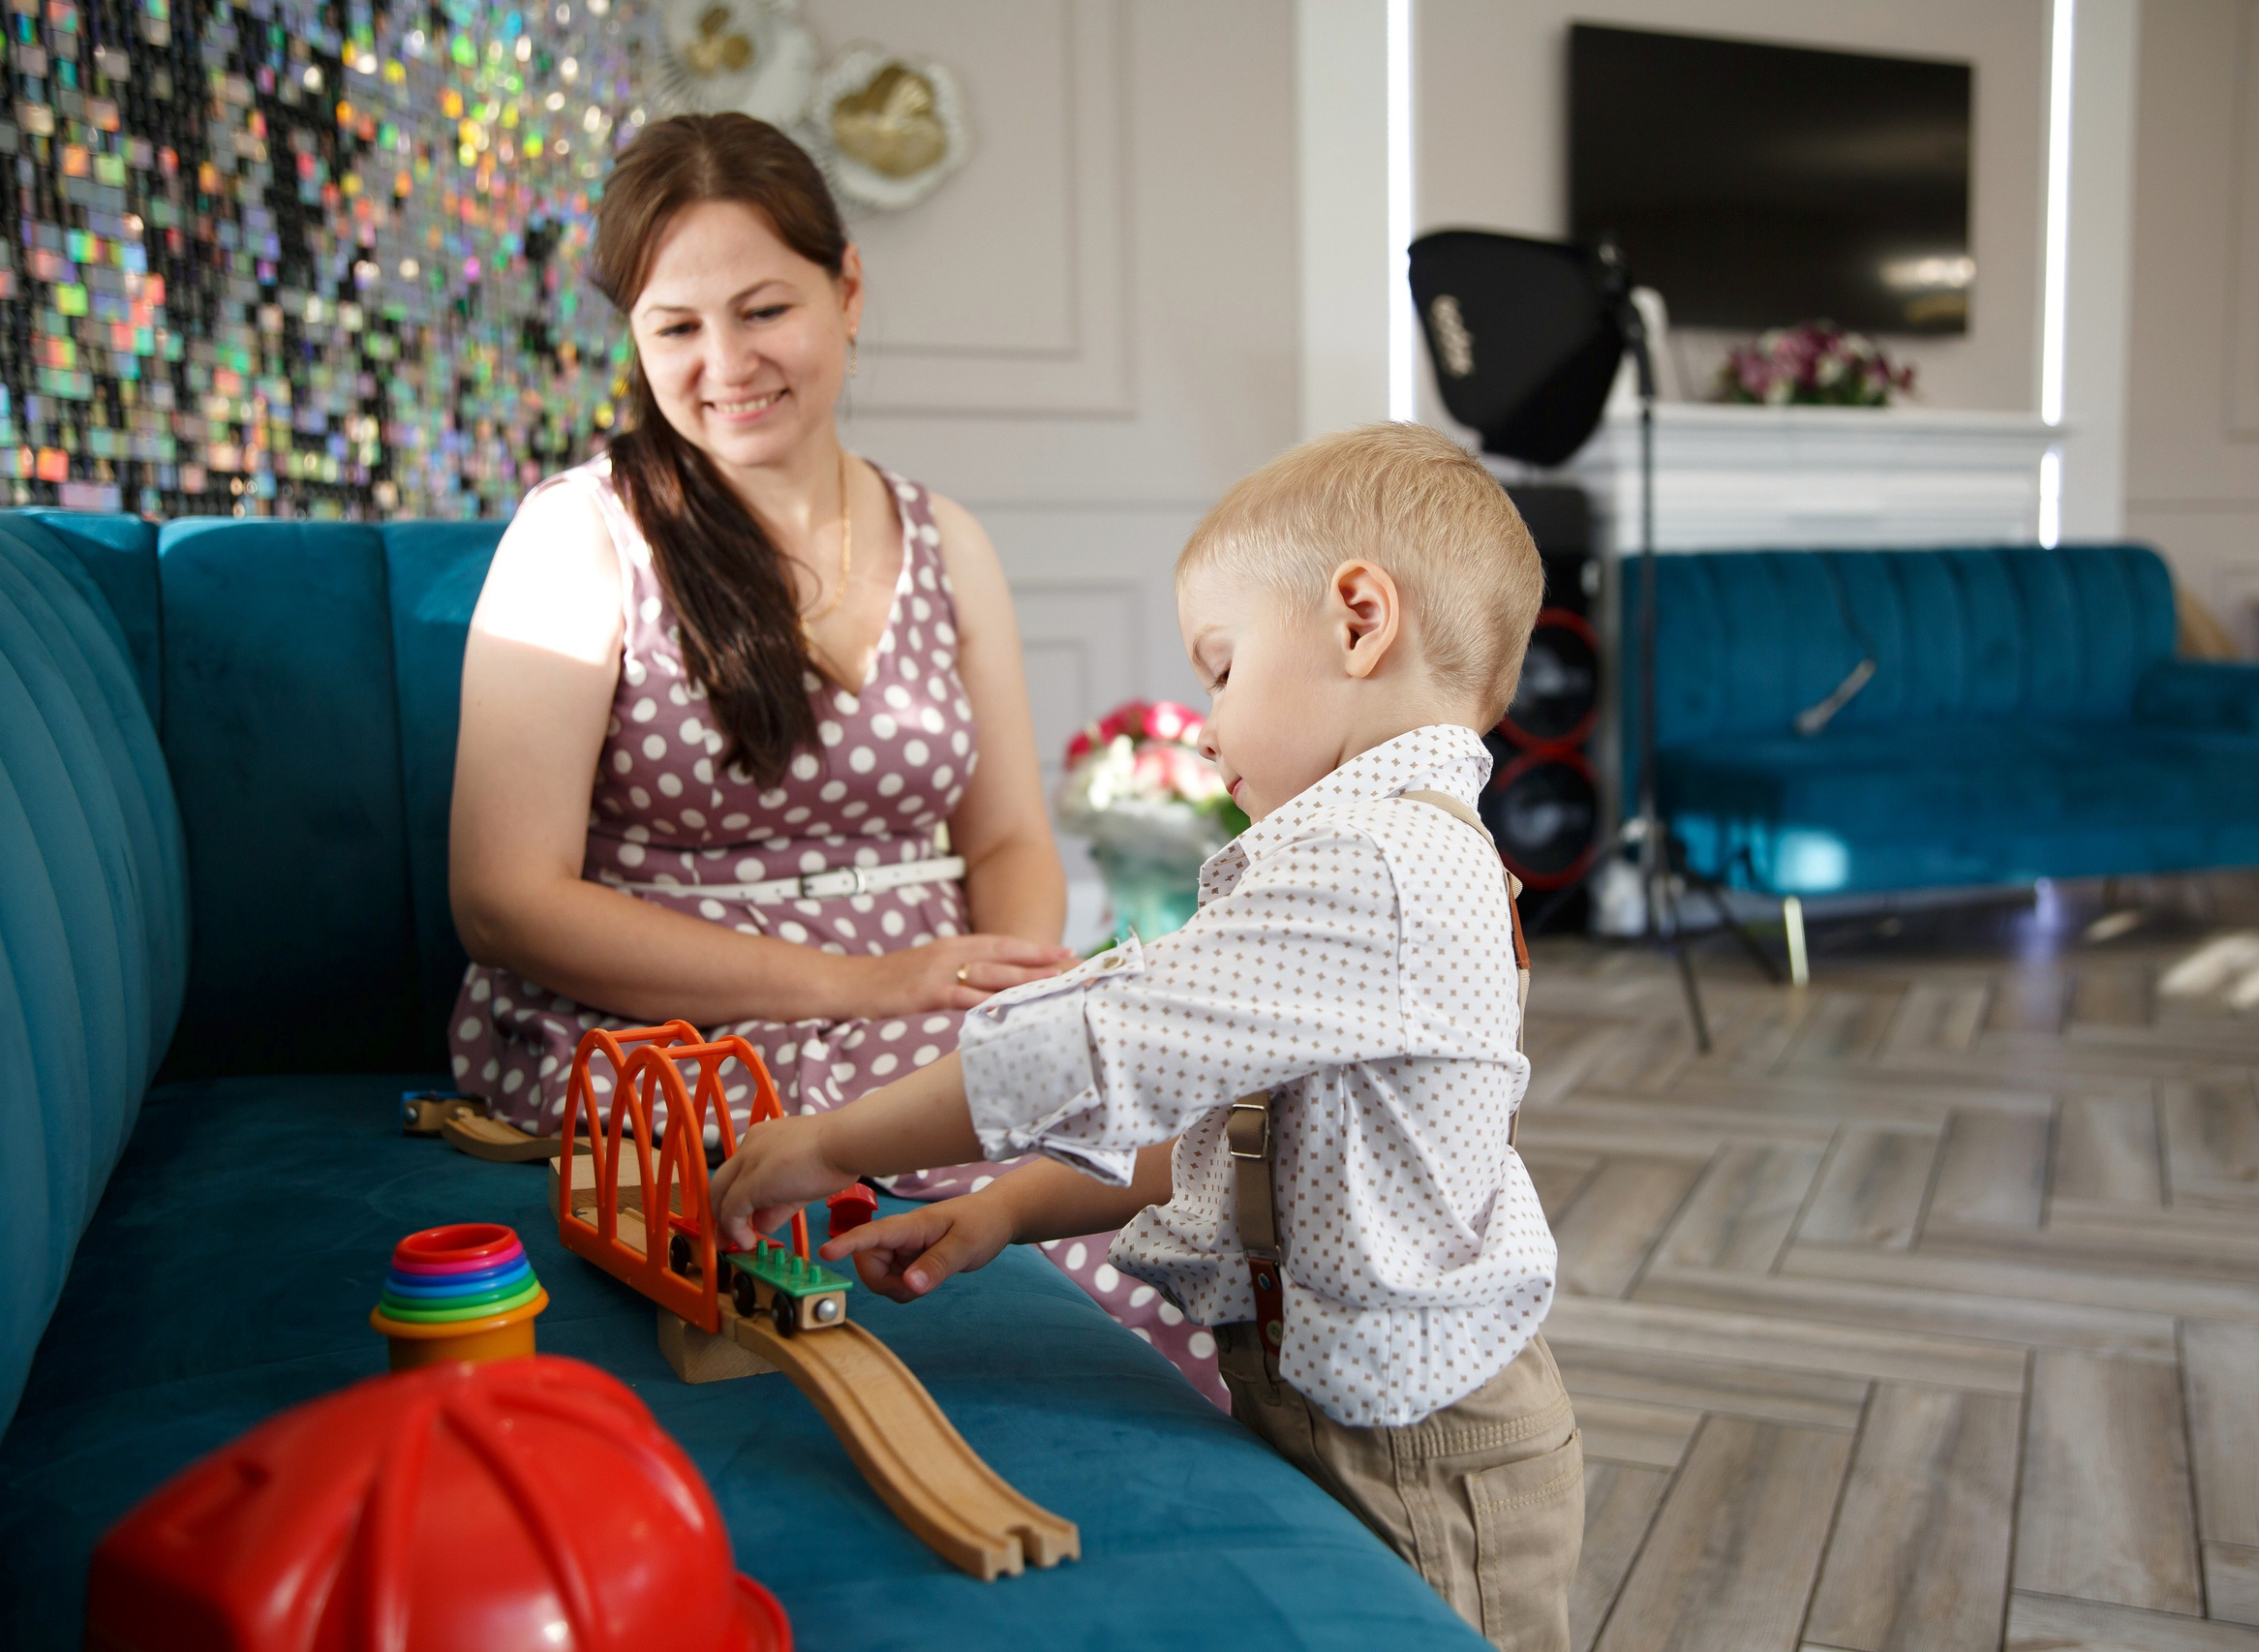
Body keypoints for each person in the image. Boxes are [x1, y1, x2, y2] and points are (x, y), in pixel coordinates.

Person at [711, 423, 1585, 1652]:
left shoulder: (1384, 865)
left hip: (1427, 1454)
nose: (1207, 724)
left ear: (1356, 618)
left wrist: (835, 1140)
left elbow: (1100, 1039)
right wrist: (1004, 1210)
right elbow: (1237, 1141)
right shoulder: (1360, 859)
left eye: (1221, 669)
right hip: (1335, 1402)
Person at [444, 112, 1222, 1397]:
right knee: (1078, 1267)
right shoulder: (580, 536)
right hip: (671, 1030)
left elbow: (1011, 840)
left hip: (918, 1002)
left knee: (1178, 1180)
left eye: (762, 310)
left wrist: (1012, 996)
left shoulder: (945, 537)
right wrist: (861, 987)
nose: (724, 363)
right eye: (674, 327)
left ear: (848, 288)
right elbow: (504, 898)